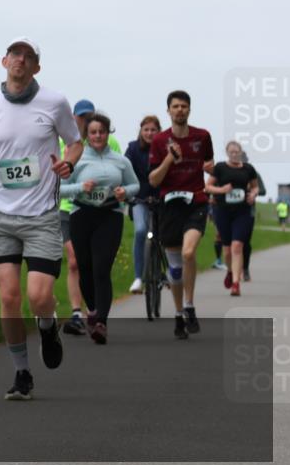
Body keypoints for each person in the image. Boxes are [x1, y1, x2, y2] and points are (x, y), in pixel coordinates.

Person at [0, 38, 81, 400]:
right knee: (10, 297)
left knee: (39, 296)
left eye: (28, 56)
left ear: (36, 68)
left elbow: (74, 142)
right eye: (15, 54)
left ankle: (47, 326)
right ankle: (21, 373)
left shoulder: (55, 102)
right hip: (0, 213)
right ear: (4, 61)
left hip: (42, 215)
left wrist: (69, 162)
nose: (20, 60)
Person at [60, 113, 140, 344]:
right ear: (87, 135)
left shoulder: (121, 161)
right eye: (93, 132)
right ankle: (93, 311)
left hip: (110, 215)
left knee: (102, 268)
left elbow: (135, 184)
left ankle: (102, 323)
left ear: (108, 133)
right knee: (84, 268)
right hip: (81, 215)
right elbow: (61, 190)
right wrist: (80, 187)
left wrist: (125, 192)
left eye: (101, 132)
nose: (97, 136)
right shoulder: (77, 158)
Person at [148, 90, 214, 340]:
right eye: (175, 106)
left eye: (184, 106)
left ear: (189, 109)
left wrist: (211, 169)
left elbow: (210, 163)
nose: (180, 110)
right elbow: (153, 179)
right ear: (168, 111)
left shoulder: (202, 136)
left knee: (188, 252)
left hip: (196, 201)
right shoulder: (159, 141)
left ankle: (189, 304)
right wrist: (169, 160)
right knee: (175, 268)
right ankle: (178, 313)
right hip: (170, 205)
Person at [205, 141, 259, 296]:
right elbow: (208, 187)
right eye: (231, 152)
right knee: (227, 250)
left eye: (237, 152)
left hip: (242, 212)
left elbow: (255, 186)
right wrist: (221, 189)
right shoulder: (220, 167)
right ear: (227, 152)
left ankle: (236, 283)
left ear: (241, 152)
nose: (234, 154)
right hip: (222, 211)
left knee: (237, 246)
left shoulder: (248, 169)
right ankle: (230, 271)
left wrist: (253, 194)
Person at [124, 115, 161, 293]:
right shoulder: (132, 148)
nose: (149, 133)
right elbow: (123, 170)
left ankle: (161, 270)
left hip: (161, 199)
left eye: (153, 130)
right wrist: (126, 193)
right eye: (146, 129)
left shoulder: (165, 148)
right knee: (140, 230)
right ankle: (138, 278)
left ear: (158, 131)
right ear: (141, 131)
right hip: (139, 199)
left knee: (163, 234)